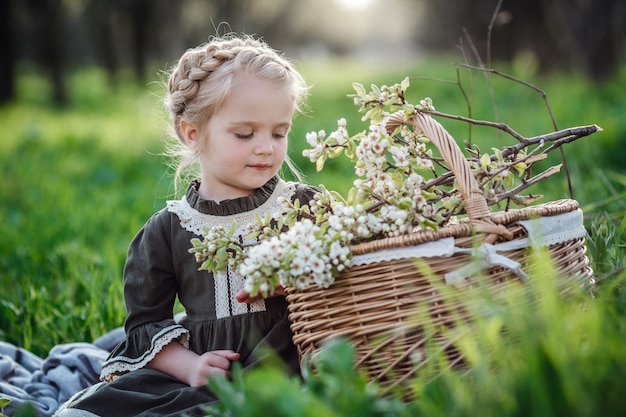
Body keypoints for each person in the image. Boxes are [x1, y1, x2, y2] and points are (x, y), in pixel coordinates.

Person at [55, 34, 316, 417]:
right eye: (245, 134)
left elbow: (355, 271)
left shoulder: (300, 206)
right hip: (211, 368)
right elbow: (146, 324)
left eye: (279, 132)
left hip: (291, 359)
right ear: (192, 133)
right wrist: (190, 366)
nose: (266, 147)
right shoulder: (169, 229)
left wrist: (298, 279)